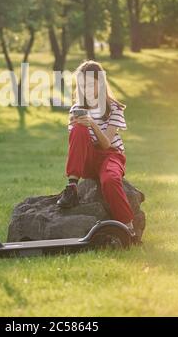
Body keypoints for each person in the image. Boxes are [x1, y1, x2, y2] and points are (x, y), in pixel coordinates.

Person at [57, 60, 135, 234]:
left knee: (110, 180)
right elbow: (77, 143)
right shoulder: (77, 108)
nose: (86, 89)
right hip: (88, 159)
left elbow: (106, 143)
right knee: (78, 129)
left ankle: (128, 226)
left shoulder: (114, 108)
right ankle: (72, 187)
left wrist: (92, 123)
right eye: (82, 85)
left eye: (90, 84)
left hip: (111, 155)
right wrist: (79, 124)